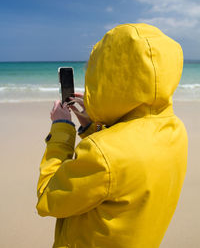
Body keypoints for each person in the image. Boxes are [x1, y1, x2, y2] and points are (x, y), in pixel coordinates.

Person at [36, 23, 188, 248]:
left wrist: (61, 128)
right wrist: (89, 125)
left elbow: (48, 198)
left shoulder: (102, 154)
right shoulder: (176, 131)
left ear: (112, 76)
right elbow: (120, 172)